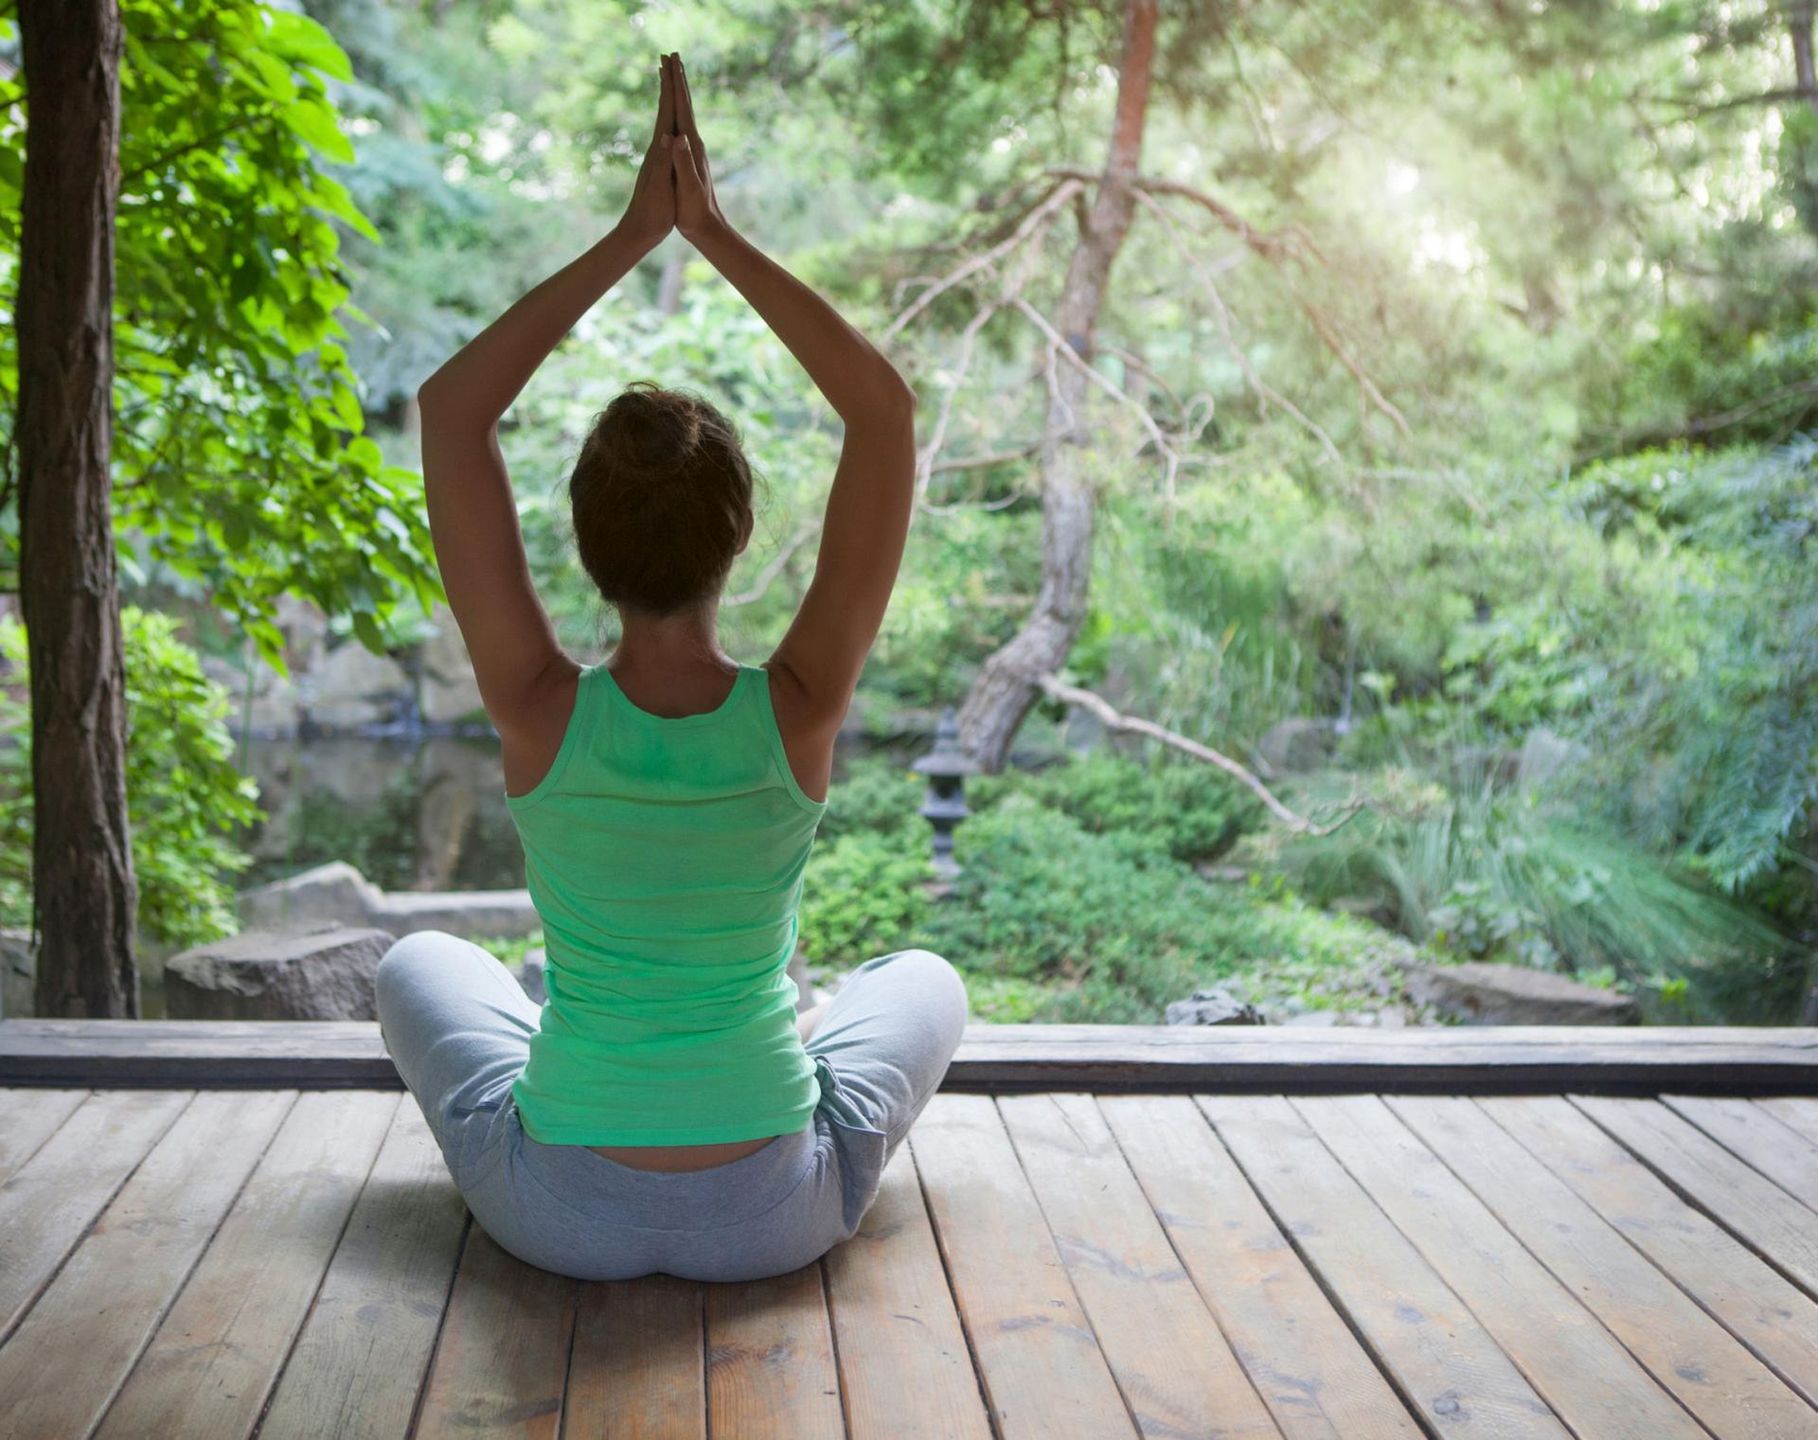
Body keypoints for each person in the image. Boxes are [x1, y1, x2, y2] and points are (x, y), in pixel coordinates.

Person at [374, 52, 968, 1283]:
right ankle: (716, 1046)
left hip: (560, 1213)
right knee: (922, 980)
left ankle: (594, 1029)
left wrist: (629, 236)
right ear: (740, 537)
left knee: (417, 963)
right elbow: (884, 418)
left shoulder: (540, 711)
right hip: (773, 1215)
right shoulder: (794, 713)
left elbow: (452, 412)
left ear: (583, 548)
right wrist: (714, 235)